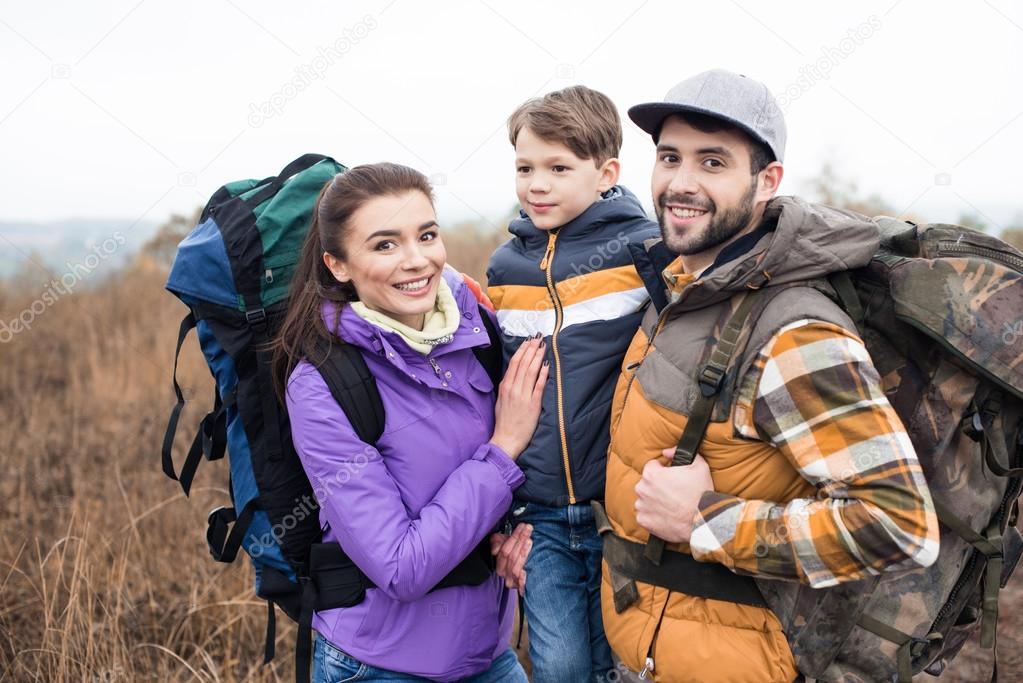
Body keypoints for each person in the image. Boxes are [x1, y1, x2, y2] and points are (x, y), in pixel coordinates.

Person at [598, 69, 939, 682]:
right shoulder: (684, 284)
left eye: (713, 163)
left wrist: (702, 519)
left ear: (766, 182)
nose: (681, 182)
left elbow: (898, 525)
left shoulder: (793, 334)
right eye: (669, 157)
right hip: (651, 651)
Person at [277, 162, 548, 682]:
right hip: (379, 666)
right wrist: (503, 445)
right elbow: (400, 566)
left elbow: (505, 486)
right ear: (337, 265)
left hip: (487, 655)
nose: (417, 260)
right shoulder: (322, 384)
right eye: (385, 245)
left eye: (426, 235)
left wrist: (522, 533)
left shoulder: (476, 327)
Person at [486, 85, 659, 682]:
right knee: (559, 666)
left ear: (605, 171)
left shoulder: (644, 251)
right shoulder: (505, 270)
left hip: (623, 510)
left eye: (559, 168)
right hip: (540, 514)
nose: (537, 184)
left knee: (634, 661)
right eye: (525, 168)